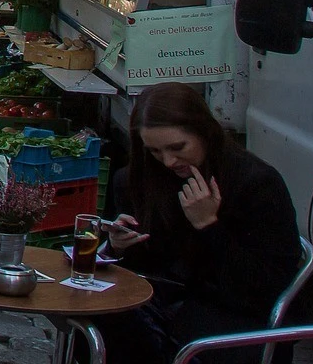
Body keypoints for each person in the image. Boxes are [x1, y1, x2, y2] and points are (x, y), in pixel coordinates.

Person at [97, 84, 302, 364]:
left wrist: (209, 226)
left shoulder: (256, 183)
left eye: (178, 147)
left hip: (235, 310)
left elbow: (266, 284)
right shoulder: (137, 179)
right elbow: (144, 267)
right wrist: (119, 246)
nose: (169, 161)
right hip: (166, 299)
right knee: (97, 321)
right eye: (155, 151)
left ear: (203, 132)